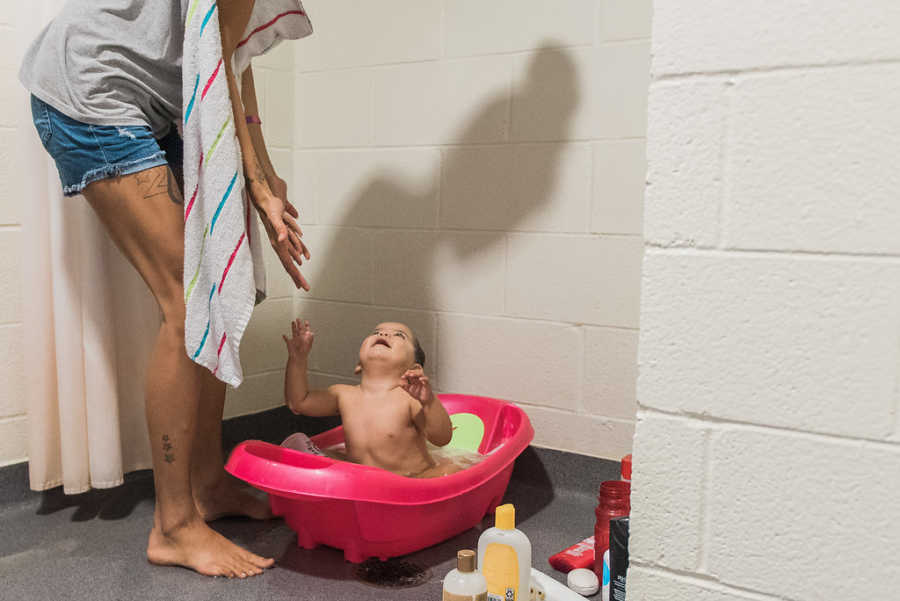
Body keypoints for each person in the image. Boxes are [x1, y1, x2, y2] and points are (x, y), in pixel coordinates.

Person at [19, 1, 311, 578]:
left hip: (160, 102)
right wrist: (255, 184)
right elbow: (223, 59)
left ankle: (206, 485)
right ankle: (173, 527)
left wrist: (267, 176)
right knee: (189, 300)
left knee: (220, 294)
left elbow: (233, 57)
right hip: (93, 86)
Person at [283, 319, 461, 478]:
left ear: (414, 367)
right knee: (301, 446)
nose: (383, 334)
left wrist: (428, 402)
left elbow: (442, 438)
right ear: (359, 365)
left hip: (409, 481)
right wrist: (297, 359)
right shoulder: (343, 394)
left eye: (399, 335)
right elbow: (299, 402)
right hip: (361, 482)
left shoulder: (409, 399)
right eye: (376, 332)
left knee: (450, 471)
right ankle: (285, 493)